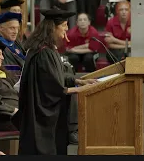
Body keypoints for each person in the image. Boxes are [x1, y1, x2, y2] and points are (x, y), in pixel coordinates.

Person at [15, 9, 98, 155]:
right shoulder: (43, 52)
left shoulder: (46, 49)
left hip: (44, 111)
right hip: (40, 115)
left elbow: (55, 76)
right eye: (64, 25)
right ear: (53, 28)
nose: (66, 29)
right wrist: (77, 90)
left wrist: (78, 81)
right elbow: (52, 87)